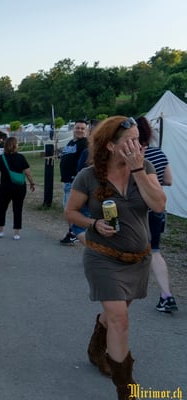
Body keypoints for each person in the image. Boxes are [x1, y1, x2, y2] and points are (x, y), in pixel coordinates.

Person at [65, 116, 166, 400]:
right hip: (103, 257)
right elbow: (71, 212)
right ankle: (127, 389)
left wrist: (138, 170)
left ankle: (96, 348)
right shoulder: (88, 176)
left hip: (137, 259)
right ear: (110, 146)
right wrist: (93, 224)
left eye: (139, 140)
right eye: (130, 141)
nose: (138, 146)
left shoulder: (144, 167)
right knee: (120, 319)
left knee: (114, 316)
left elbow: (158, 204)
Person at [136, 116, 178, 313]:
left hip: (137, 209)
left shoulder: (133, 155)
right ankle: (166, 295)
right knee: (154, 251)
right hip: (157, 208)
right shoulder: (159, 153)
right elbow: (169, 180)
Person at [0, 137, 35, 240]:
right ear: (15, 145)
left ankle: (0, 231)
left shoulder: (1, 158)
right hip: (19, 187)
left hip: (5, 187)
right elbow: (27, 172)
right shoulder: (21, 157)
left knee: (2, 208)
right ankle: (16, 233)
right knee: (18, 208)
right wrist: (31, 183)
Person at [59, 119, 88, 244]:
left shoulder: (85, 144)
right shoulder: (71, 142)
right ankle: (72, 231)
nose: (79, 130)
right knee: (67, 208)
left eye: (82, 128)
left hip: (75, 181)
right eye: (77, 128)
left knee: (71, 209)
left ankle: (74, 233)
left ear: (86, 131)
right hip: (67, 181)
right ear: (73, 129)